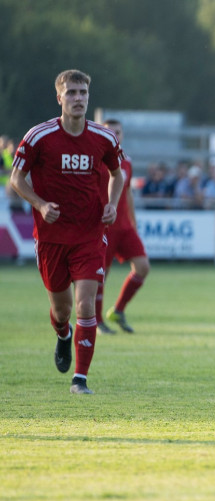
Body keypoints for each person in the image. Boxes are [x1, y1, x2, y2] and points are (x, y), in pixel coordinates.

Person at [7, 69, 125, 394]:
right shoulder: (38, 136)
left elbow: (119, 175)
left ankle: (80, 379)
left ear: (89, 97)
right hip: (50, 238)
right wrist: (41, 204)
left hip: (89, 233)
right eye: (71, 93)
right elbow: (15, 179)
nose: (78, 98)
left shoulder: (104, 138)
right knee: (62, 311)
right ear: (59, 98)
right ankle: (63, 333)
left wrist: (112, 203)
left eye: (83, 93)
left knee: (86, 305)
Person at [96, 119, 151, 335]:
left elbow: (127, 192)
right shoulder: (95, 159)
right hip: (104, 226)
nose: (114, 136)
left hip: (124, 226)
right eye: (110, 132)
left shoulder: (126, 162)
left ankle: (118, 310)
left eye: (117, 132)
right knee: (101, 275)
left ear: (122, 135)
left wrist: (133, 222)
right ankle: (97, 321)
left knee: (143, 267)